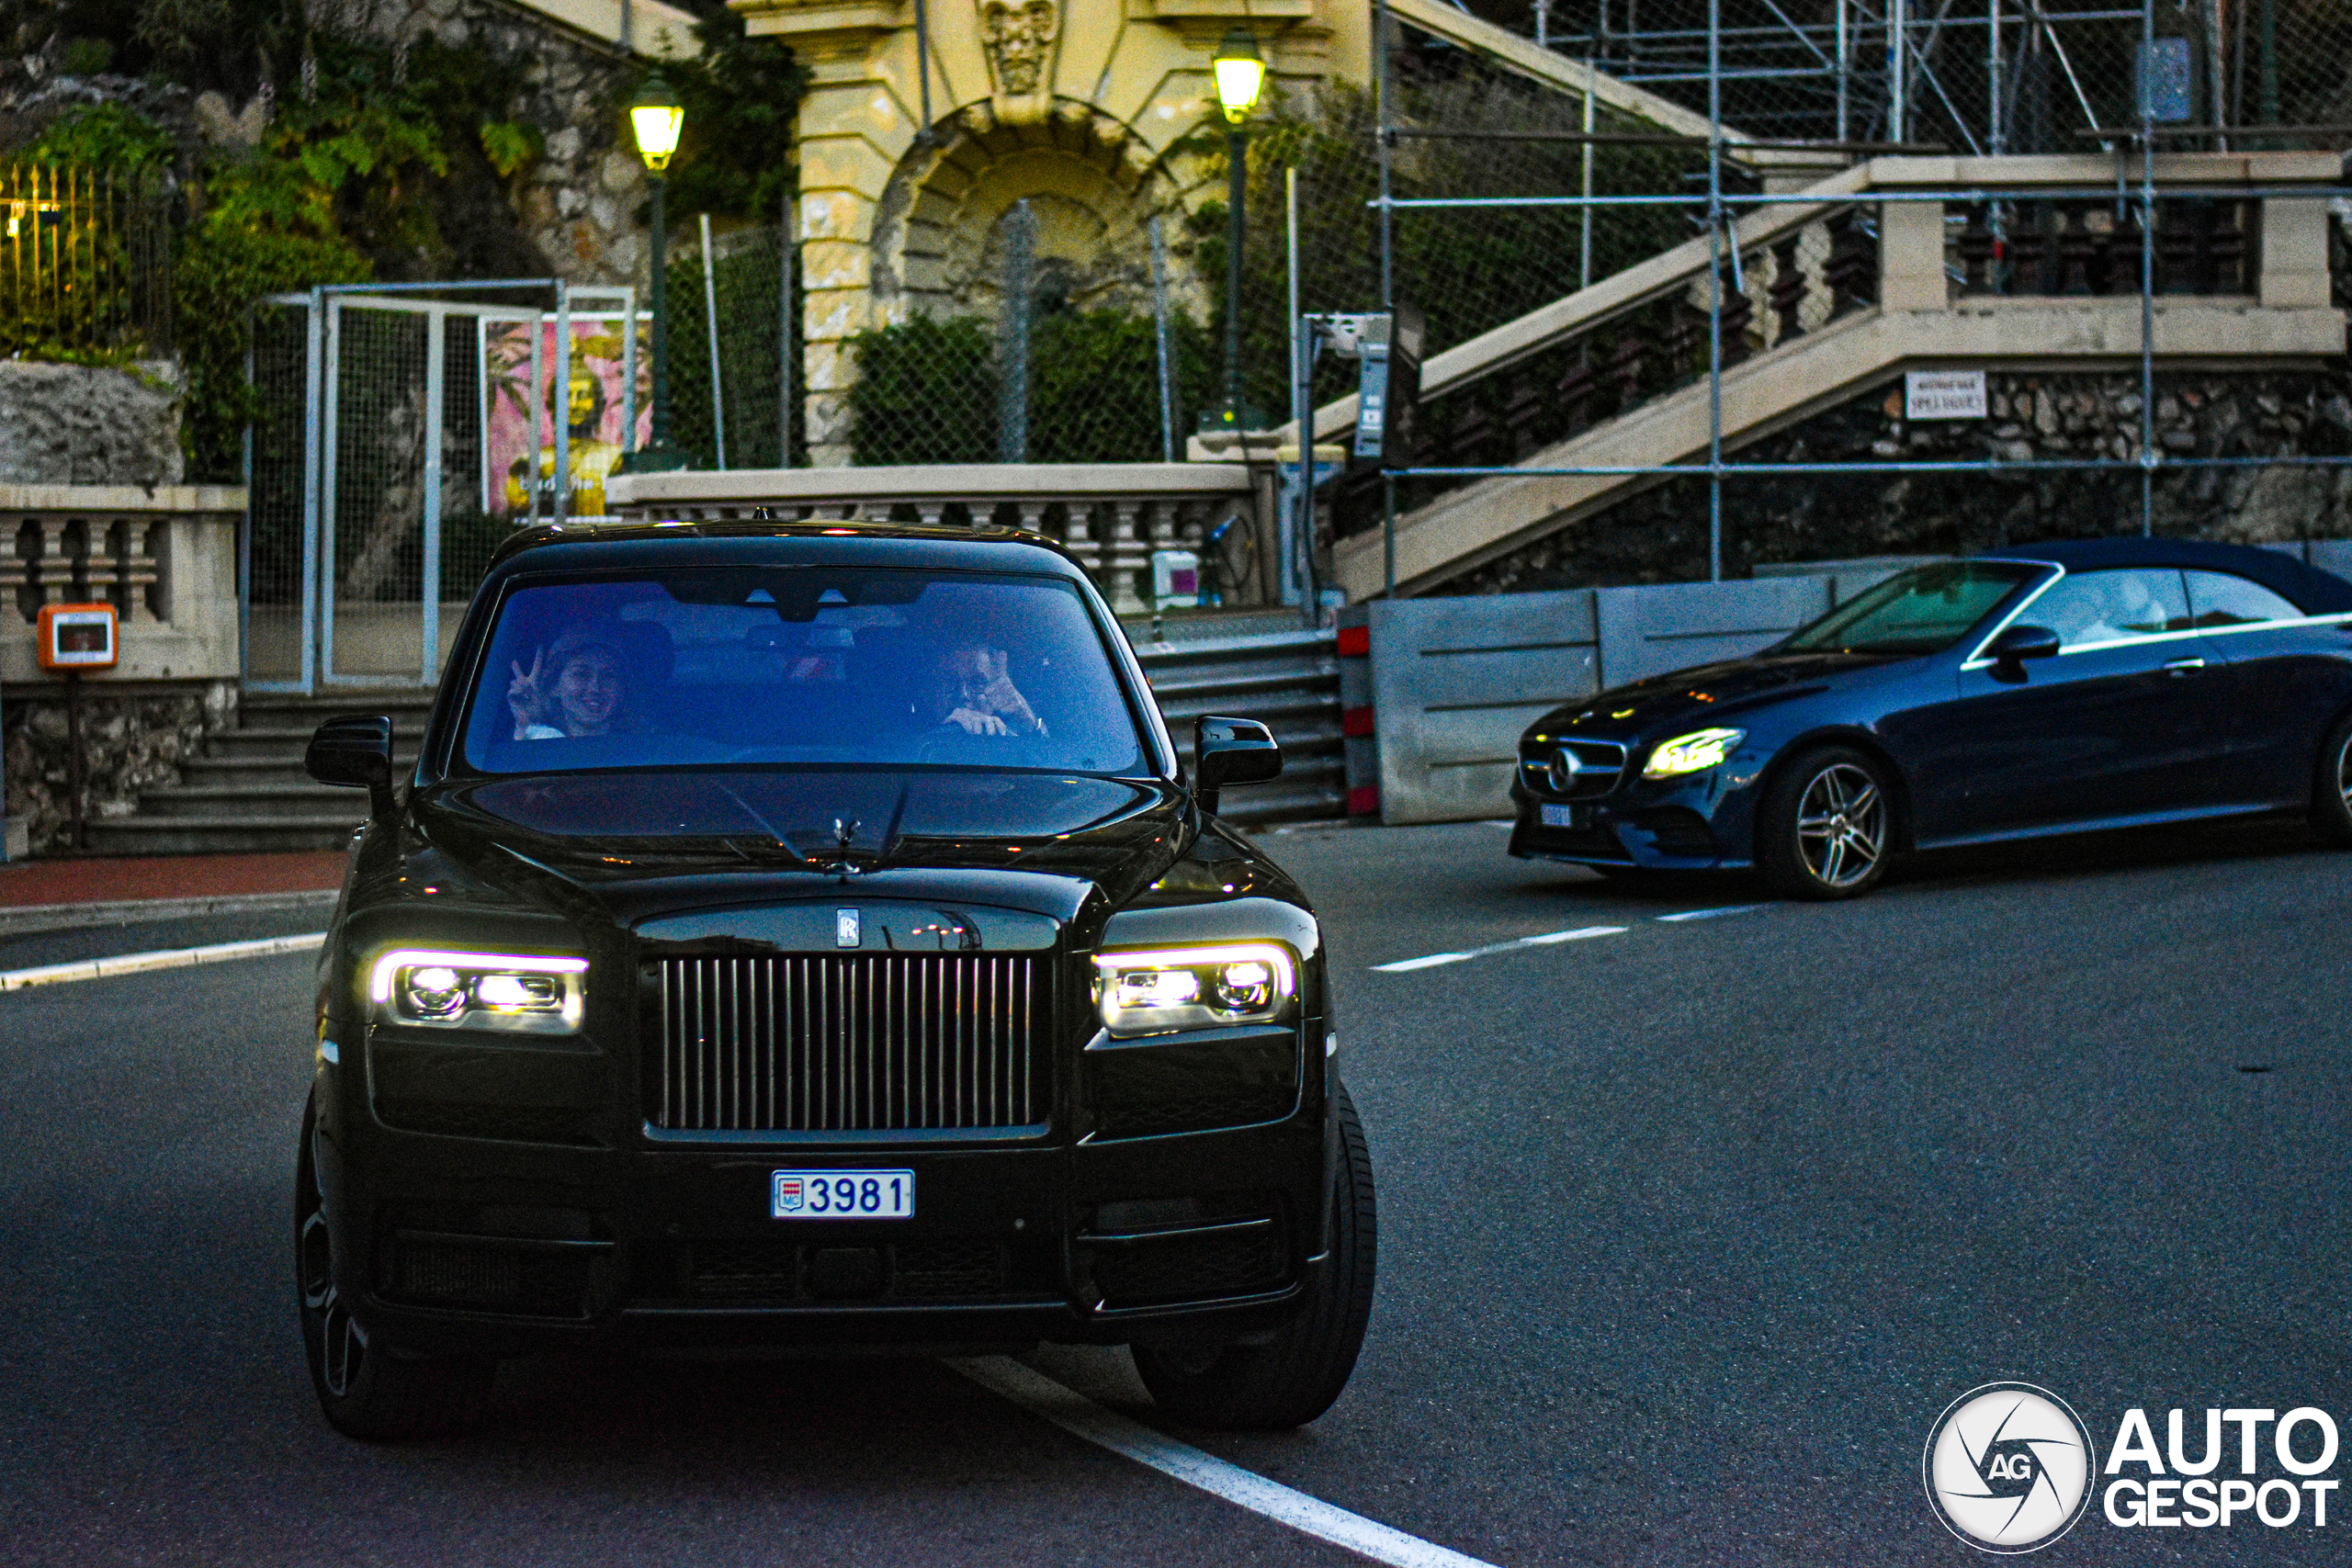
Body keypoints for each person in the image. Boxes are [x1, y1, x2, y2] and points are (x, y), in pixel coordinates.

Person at [508, 630, 632, 739]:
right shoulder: (544, 742)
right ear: (554, 685)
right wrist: (527, 727)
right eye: (581, 674)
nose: (595, 687)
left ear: (621, 689)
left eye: (608, 676)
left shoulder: (642, 747)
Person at [923, 639, 1046, 737]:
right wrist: (943, 732)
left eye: (977, 682)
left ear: (1001, 690)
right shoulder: (908, 737)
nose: (963, 695)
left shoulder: (1011, 737)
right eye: (949, 683)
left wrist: (1030, 726)